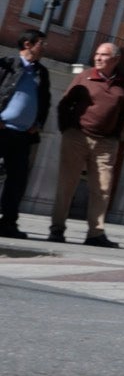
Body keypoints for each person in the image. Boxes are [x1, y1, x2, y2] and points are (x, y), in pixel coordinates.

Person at [49, 42, 124, 248]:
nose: (98, 58)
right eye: (96, 54)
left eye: (103, 55)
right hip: (77, 137)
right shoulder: (84, 77)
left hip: (106, 142)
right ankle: (57, 229)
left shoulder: (123, 82)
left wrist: (115, 136)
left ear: (115, 59)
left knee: (102, 188)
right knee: (67, 184)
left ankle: (95, 233)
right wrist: (67, 129)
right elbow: (64, 104)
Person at [0, 31, 52, 239]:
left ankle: (8, 223)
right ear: (28, 44)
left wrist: (38, 123)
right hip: (2, 130)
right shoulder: (7, 65)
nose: (44, 47)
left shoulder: (42, 73)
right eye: (41, 44)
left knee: (17, 180)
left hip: (23, 135)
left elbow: (45, 101)